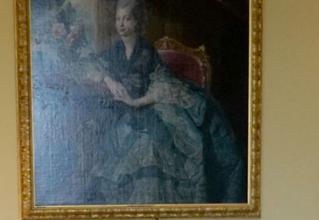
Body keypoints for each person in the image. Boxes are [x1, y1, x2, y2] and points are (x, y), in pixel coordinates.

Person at [87, 0, 243, 204]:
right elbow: (92, 66)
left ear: (137, 22)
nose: (121, 24)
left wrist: (136, 102)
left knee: (152, 145)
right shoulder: (114, 51)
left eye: (127, 18)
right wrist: (108, 79)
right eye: (118, 19)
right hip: (119, 110)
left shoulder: (146, 50)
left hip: (147, 106)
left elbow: (163, 84)